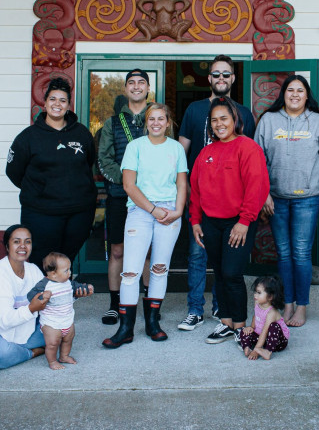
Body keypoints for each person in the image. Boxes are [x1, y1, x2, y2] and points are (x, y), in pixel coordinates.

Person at [178, 54, 256, 331]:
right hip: (204, 204)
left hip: (234, 208)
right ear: (209, 78)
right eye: (216, 74)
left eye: (226, 74)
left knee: (229, 270)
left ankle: (229, 316)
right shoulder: (195, 112)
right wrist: (185, 194)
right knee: (202, 258)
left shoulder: (245, 121)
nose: (221, 78)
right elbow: (181, 155)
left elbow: (255, 174)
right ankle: (198, 310)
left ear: (233, 78)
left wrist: (247, 217)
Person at [102, 103, 187, 348]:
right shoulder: (135, 146)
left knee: (160, 268)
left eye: (161, 118)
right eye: (152, 119)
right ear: (146, 122)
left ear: (168, 122)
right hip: (141, 211)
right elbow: (129, 185)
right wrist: (153, 209)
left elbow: (182, 183)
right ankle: (125, 328)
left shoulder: (176, 148)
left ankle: (152, 323)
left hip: (170, 211)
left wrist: (178, 211)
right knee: (130, 271)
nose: (157, 123)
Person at [256, 74, 319, 327]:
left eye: (300, 91)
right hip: (276, 199)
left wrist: (311, 180)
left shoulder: (318, 122)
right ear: (284, 94)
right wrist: (265, 192)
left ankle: (301, 306)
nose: (295, 95)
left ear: (306, 95)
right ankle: (287, 302)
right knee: (284, 254)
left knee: (301, 255)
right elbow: (258, 161)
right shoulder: (269, 121)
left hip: (307, 199)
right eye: (290, 90)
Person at [189, 97, 269, 346]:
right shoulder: (206, 152)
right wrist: (195, 221)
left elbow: (257, 186)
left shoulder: (247, 147)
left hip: (238, 221)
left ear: (235, 120)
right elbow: (196, 190)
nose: (219, 124)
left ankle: (241, 326)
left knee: (233, 273)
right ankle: (225, 323)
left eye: (224, 118)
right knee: (220, 274)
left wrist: (244, 221)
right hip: (211, 222)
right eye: (214, 120)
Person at [6, 78, 97, 268]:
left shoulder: (82, 134)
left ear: (69, 105)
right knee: (43, 263)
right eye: (53, 99)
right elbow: (14, 172)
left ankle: (63, 296)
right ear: (45, 103)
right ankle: (44, 297)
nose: (57, 104)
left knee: (65, 263)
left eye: (63, 100)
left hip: (78, 213)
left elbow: (88, 163)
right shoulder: (28, 137)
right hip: (41, 214)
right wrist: (40, 189)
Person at [97, 68, 152, 325]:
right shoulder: (112, 123)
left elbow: (169, 155)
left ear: (148, 88)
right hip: (120, 196)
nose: (137, 86)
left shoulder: (157, 118)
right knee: (117, 250)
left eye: (141, 82)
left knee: (148, 253)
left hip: (151, 198)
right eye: (132, 82)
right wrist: (128, 182)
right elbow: (104, 159)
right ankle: (113, 304)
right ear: (126, 89)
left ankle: (150, 304)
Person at [27, 252, 94, 370]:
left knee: (68, 339)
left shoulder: (68, 282)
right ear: (53, 274)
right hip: (51, 323)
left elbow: (76, 287)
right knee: (52, 344)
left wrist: (86, 288)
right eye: (66, 270)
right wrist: (42, 296)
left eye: (69, 269)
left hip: (67, 319)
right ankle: (52, 361)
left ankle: (64, 356)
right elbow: (31, 296)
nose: (70, 273)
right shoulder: (44, 285)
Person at [0, 225, 49, 369]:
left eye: (27, 241)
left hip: (28, 331)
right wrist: (31, 309)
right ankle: (32, 353)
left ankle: (18, 352)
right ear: (7, 246)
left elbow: (51, 297)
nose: (23, 246)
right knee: (2, 353)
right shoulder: (2, 273)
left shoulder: (33, 269)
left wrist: (73, 295)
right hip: (3, 332)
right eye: (16, 241)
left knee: (60, 330)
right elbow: (5, 321)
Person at [241, 275, 289, 360]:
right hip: (263, 337)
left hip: (278, 341)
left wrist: (256, 350)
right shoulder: (257, 303)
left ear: (270, 297)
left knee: (274, 326)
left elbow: (265, 331)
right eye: (255, 291)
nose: (255, 295)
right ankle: (247, 348)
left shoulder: (272, 313)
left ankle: (268, 352)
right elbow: (255, 316)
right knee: (244, 331)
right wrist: (251, 328)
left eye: (259, 293)